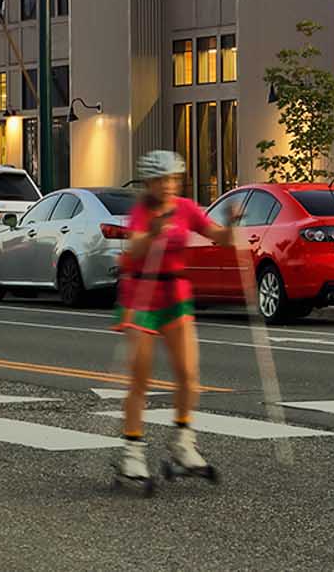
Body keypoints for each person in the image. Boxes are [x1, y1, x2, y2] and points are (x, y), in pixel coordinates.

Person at [113, 149, 235, 487]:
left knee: (189, 374)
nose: (169, 186)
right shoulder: (141, 212)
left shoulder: (186, 208)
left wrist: (233, 227)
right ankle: (133, 452)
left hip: (175, 295)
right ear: (149, 183)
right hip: (141, 296)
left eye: (174, 179)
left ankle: (183, 444)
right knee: (141, 379)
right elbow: (134, 248)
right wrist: (153, 233)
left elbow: (217, 235)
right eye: (162, 180)